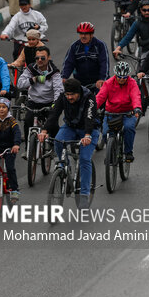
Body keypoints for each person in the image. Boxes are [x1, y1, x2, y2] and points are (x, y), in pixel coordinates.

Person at [40, 78, 99, 209]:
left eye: (72, 94)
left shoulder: (89, 98)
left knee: (84, 159)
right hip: (70, 127)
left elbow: (89, 118)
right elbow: (54, 113)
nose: (69, 97)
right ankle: (63, 167)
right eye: (67, 94)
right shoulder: (63, 97)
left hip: (88, 130)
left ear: (79, 92)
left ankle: (84, 195)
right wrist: (44, 130)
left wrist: (87, 135)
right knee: (58, 141)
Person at [96, 62, 142, 163]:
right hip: (111, 112)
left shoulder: (132, 83)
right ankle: (111, 151)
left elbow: (136, 96)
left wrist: (137, 108)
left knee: (129, 128)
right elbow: (100, 97)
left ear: (128, 76)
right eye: (119, 77)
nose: (122, 79)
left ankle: (128, 152)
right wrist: (93, 108)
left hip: (127, 113)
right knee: (105, 133)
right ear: (115, 75)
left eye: (124, 77)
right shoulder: (108, 83)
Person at [17, 46, 63, 143]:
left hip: (49, 103)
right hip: (34, 102)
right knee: (27, 121)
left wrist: (55, 103)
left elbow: (58, 90)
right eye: (37, 58)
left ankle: (55, 146)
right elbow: (20, 84)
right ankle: (27, 149)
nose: (39, 60)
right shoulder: (30, 69)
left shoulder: (54, 72)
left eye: (43, 58)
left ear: (48, 58)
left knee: (53, 125)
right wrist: (34, 79)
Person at [61, 22, 110, 89]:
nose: (83, 36)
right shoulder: (74, 46)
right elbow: (68, 63)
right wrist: (64, 77)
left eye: (86, 34)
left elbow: (104, 63)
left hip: (97, 82)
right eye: (81, 34)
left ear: (91, 35)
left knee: (100, 98)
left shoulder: (100, 45)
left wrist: (102, 79)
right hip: (80, 82)